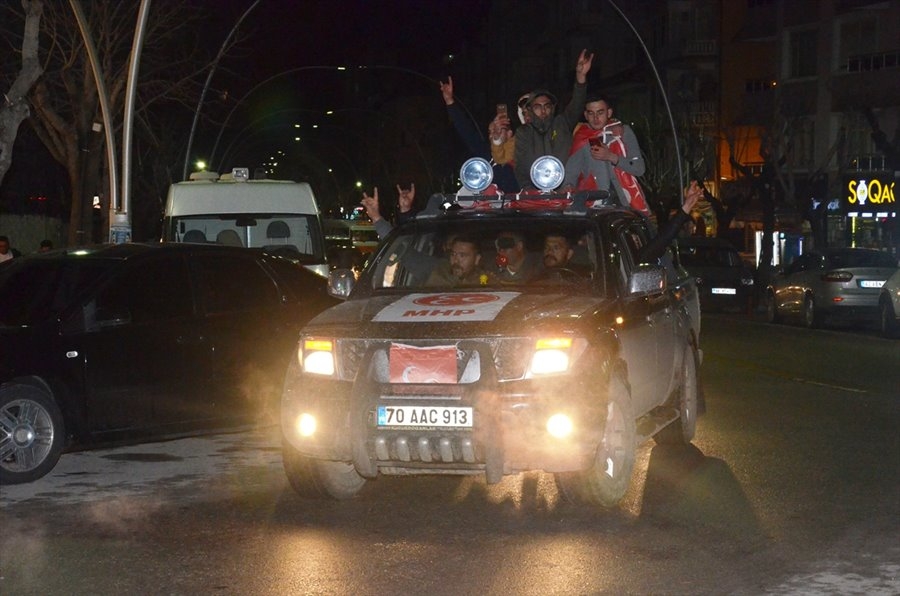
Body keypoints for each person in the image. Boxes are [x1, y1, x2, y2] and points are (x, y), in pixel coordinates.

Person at [514, 49, 594, 189]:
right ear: (530, 110)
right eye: (537, 107)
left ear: (553, 108)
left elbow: (577, 103)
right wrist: (529, 191)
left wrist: (580, 77)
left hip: (566, 187)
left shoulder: (563, 123)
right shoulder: (523, 132)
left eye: (547, 106)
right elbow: (520, 166)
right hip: (536, 192)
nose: (543, 110)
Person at [564, 95, 648, 213]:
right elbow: (571, 174)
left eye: (600, 112)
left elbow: (639, 169)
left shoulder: (622, 132)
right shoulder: (582, 138)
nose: (596, 118)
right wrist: (568, 186)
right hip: (593, 205)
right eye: (591, 113)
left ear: (609, 113)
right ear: (586, 115)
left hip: (625, 203)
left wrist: (611, 157)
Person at [439, 76, 519, 193]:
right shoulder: (485, 153)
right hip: (491, 203)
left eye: (497, 130)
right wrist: (450, 102)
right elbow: (467, 131)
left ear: (509, 134)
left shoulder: (521, 151)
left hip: (520, 202)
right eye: (490, 132)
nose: (493, 135)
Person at [426, 234, 492, 287]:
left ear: (477, 259)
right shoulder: (440, 274)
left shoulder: (486, 281)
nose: (455, 261)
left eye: (462, 256)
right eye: (453, 254)